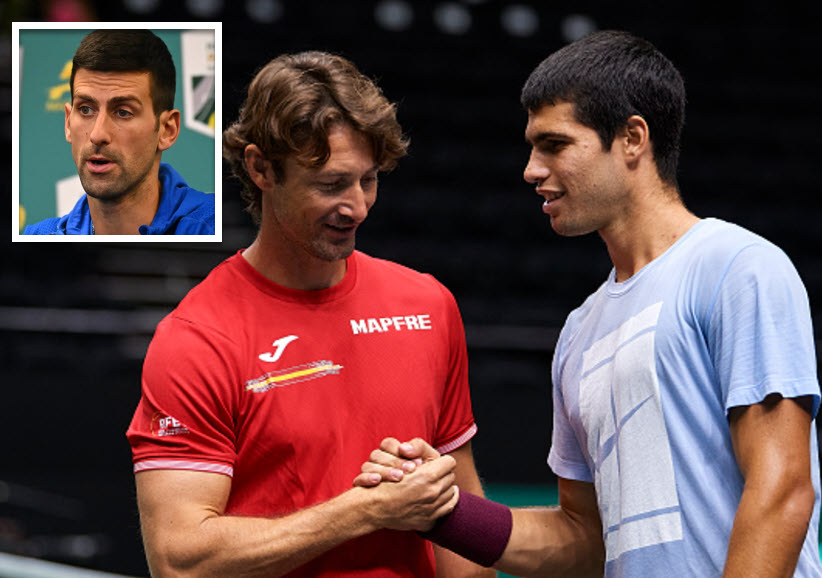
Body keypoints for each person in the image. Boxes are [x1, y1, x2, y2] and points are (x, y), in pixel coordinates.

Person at [357, 30, 822, 577]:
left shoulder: (737, 267)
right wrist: (440, 511)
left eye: (554, 145)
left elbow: (782, 490)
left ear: (632, 138)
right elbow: (582, 539)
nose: (531, 169)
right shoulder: (580, 331)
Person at [126, 51, 493, 577]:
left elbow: (460, 521)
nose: (357, 206)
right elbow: (179, 560)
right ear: (260, 168)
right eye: (330, 184)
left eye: (368, 180)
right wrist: (365, 511)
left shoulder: (427, 305)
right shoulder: (197, 338)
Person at [23, 29, 214, 235]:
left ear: (167, 130)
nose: (97, 135)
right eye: (85, 109)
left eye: (123, 112)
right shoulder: (38, 237)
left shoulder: (213, 225)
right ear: (68, 122)